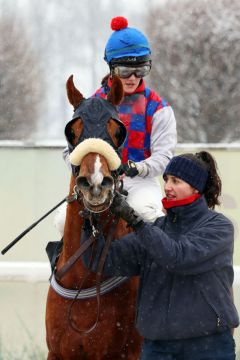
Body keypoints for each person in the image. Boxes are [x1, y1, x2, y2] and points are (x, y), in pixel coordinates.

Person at [82, 151, 239, 360]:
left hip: (209, 346)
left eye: (176, 181)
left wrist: (134, 220)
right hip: (158, 349)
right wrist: (91, 218)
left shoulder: (219, 227)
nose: (167, 187)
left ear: (196, 187)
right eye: (165, 180)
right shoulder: (156, 230)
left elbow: (177, 257)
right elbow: (102, 260)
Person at [59, 16, 177, 232]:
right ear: (111, 68)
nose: (133, 77)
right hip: (96, 178)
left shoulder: (159, 109)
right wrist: (84, 172)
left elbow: (163, 157)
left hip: (140, 181)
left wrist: (137, 168)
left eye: (141, 70)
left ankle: (153, 265)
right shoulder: (89, 105)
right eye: (125, 71)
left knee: (148, 215)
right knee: (61, 223)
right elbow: (69, 152)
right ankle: (61, 265)